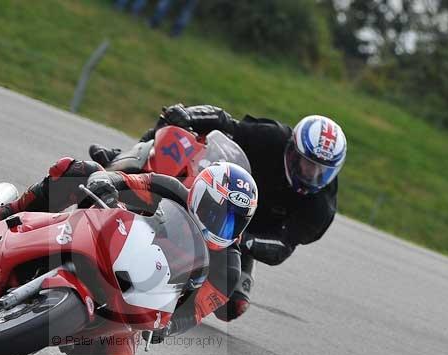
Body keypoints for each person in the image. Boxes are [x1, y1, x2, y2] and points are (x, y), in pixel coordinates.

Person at [0, 158, 257, 355]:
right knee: (76, 170)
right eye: (216, 214)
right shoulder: (169, 189)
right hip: (102, 239)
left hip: (134, 299)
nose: (221, 227)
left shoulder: (226, 271)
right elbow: (121, 179)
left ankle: (56, 328)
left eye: (233, 223)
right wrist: (105, 183)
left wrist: (166, 328)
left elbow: (191, 313)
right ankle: (3, 213)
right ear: (200, 194)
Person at [89, 104, 347, 322]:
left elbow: (281, 247)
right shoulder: (272, 137)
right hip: (215, 193)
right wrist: (187, 116)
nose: (311, 175)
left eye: (321, 170)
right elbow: (225, 124)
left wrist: (240, 240)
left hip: (240, 233)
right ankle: (122, 161)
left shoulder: (321, 209)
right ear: (292, 150)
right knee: (176, 130)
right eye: (307, 164)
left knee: (230, 308)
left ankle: (168, 304)